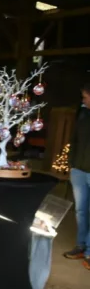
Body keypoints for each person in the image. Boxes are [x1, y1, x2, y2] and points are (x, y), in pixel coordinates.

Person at [63, 82, 90, 270]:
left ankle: (89, 251)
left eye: (85, 97)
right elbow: (75, 139)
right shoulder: (83, 113)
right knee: (81, 211)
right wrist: (72, 162)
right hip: (79, 170)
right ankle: (81, 246)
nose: (83, 100)